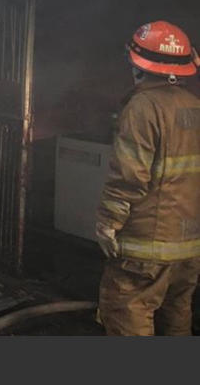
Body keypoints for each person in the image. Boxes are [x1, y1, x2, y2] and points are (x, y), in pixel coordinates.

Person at [95, 20, 200, 336]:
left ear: (137, 64)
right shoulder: (195, 107)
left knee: (127, 310)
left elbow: (130, 176)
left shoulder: (143, 107)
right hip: (188, 247)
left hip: (145, 249)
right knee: (176, 316)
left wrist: (108, 224)